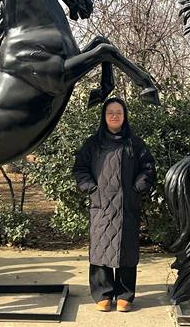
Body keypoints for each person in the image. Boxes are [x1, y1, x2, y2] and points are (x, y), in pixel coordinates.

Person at [73, 97, 156, 313]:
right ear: (104, 116)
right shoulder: (93, 143)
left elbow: (148, 168)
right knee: (101, 249)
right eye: (110, 112)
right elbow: (80, 168)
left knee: (127, 250)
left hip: (127, 204)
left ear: (124, 115)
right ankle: (103, 294)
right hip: (101, 204)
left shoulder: (135, 143)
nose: (114, 116)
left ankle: (125, 295)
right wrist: (92, 188)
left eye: (119, 112)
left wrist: (137, 188)